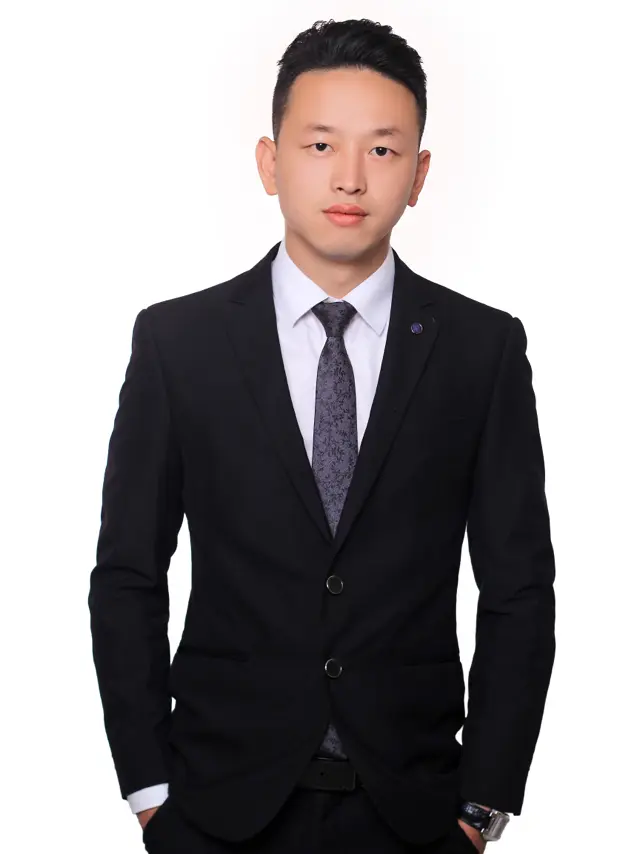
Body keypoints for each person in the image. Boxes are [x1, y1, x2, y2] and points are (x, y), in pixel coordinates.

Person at [88, 17, 556, 854]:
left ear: (418, 174)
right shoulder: (178, 344)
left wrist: (483, 806)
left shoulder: (480, 350)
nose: (350, 177)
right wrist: (151, 791)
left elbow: (519, 588)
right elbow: (128, 573)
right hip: (217, 811)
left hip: (413, 815)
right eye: (319, 145)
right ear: (270, 162)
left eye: (382, 149)